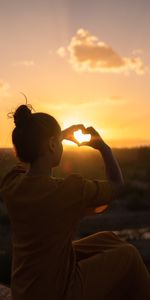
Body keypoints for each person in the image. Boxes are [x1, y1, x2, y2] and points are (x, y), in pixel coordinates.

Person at [0, 104, 150, 300]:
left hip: (25, 289)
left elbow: (25, 162)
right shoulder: (68, 191)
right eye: (58, 142)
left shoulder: (12, 184)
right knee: (128, 255)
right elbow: (117, 185)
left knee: (107, 238)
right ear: (52, 145)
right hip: (58, 292)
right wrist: (103, 146)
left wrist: (56, 137)